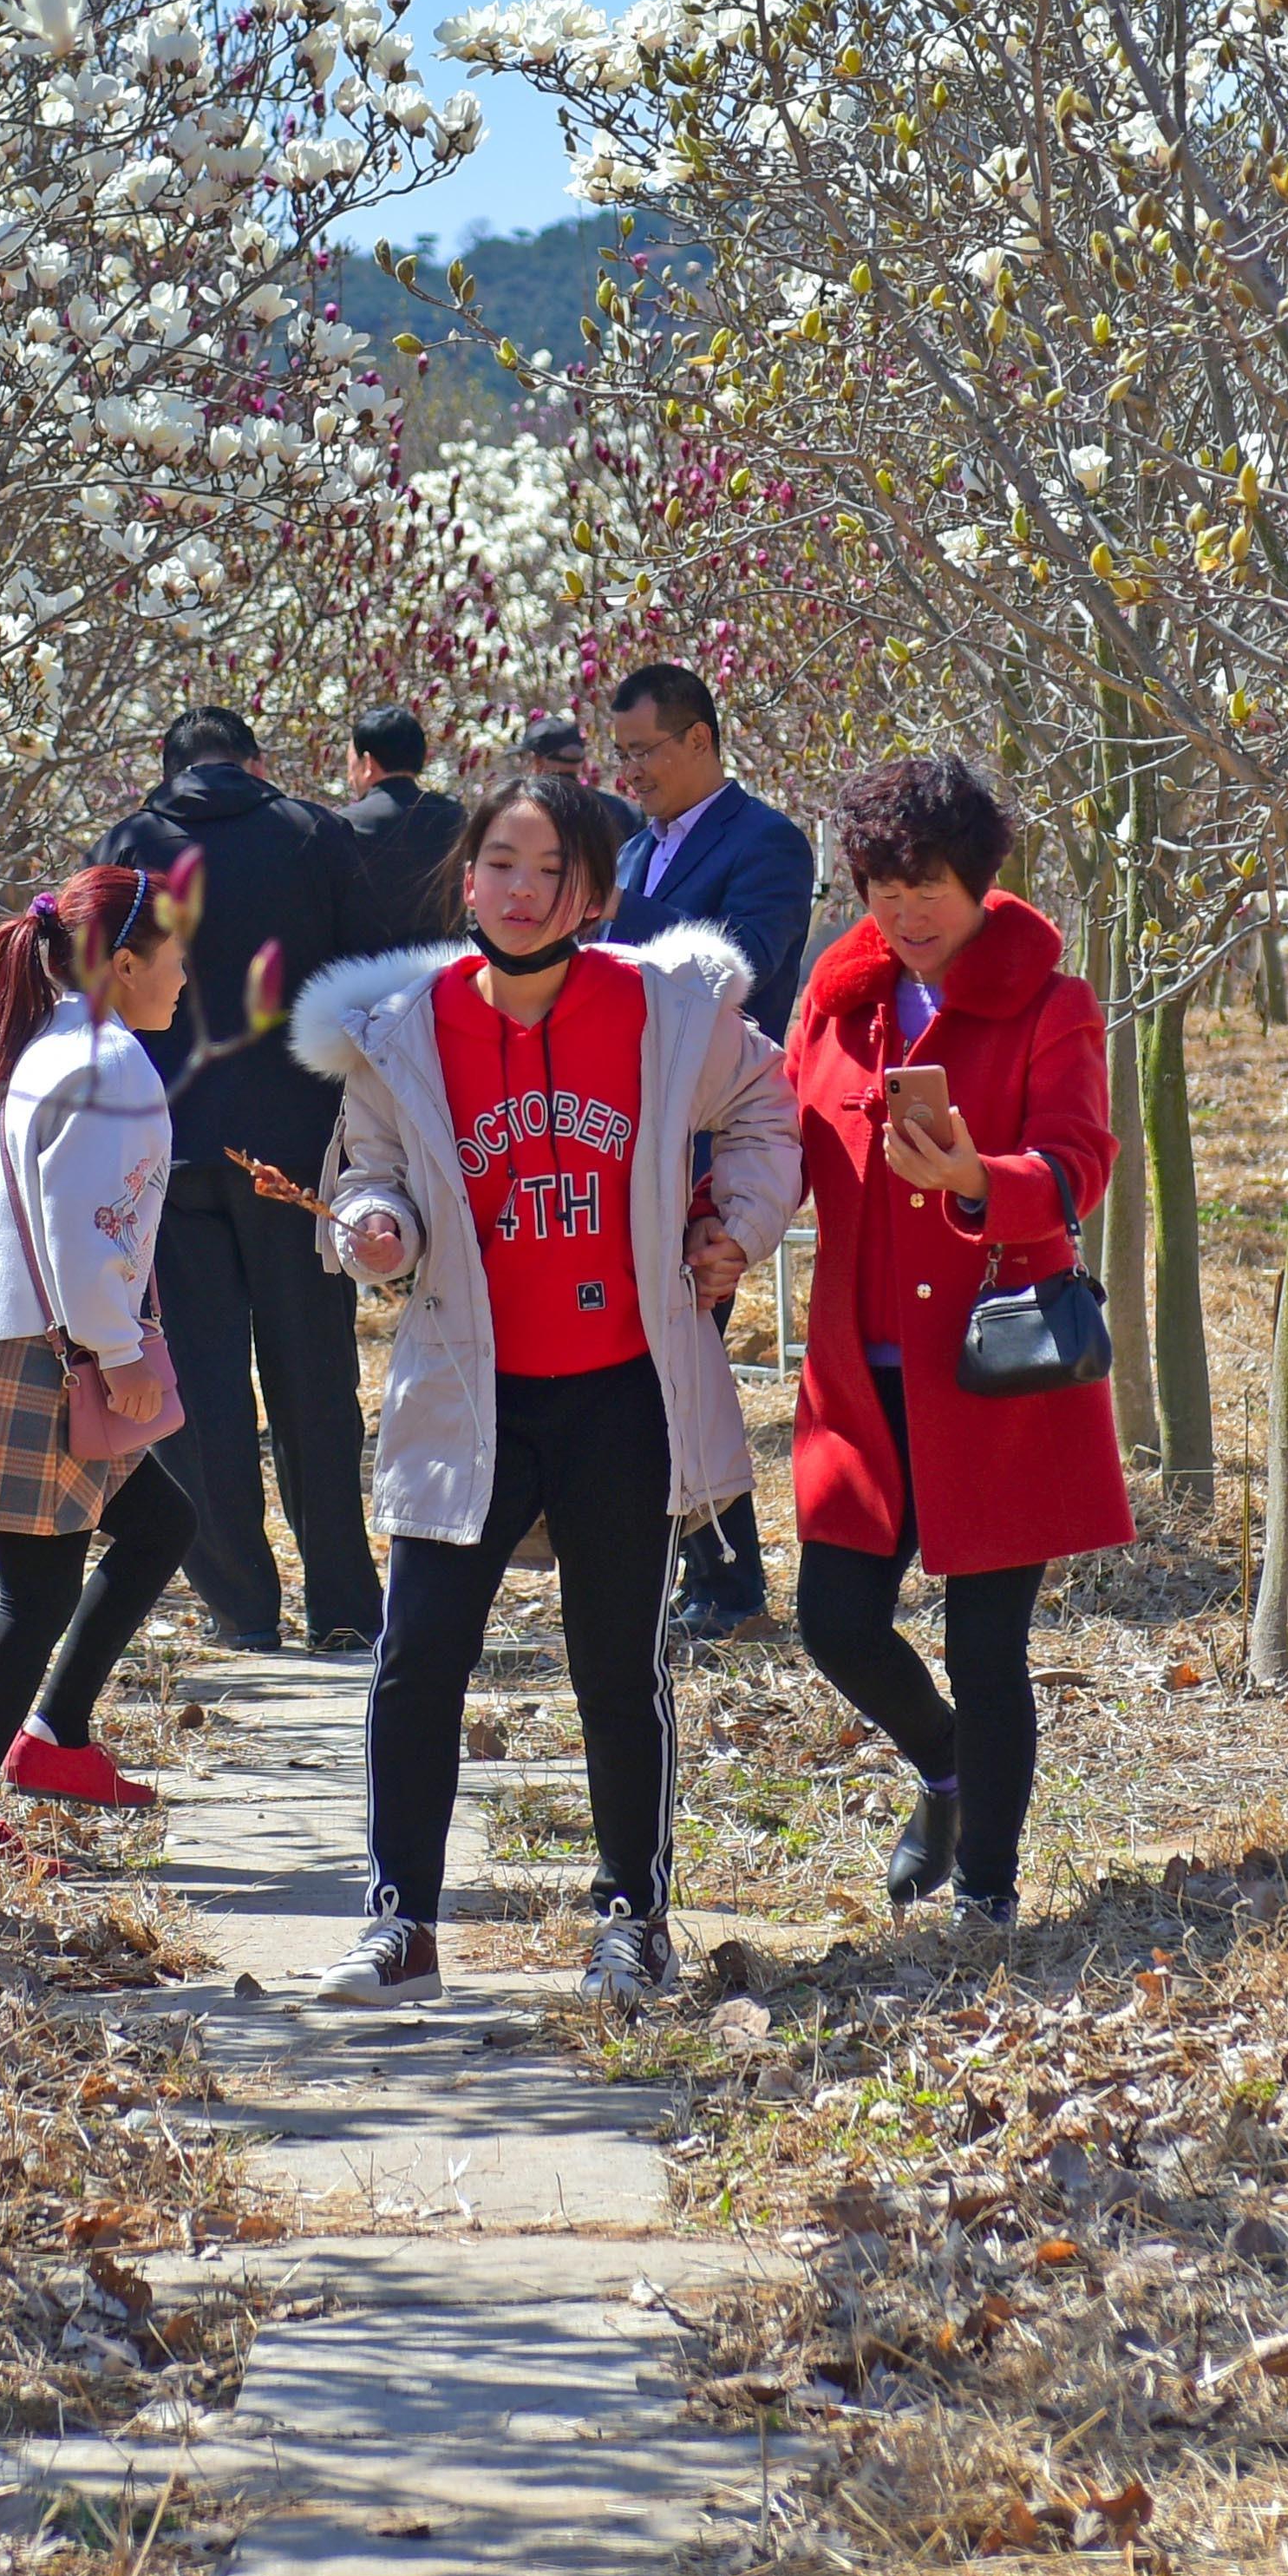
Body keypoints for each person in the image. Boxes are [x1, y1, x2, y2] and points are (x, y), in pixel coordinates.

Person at [293, 769, 802, 2008]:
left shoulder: (664, 1012)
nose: (525, 893)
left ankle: (632, 1920)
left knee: (614, 1665)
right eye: (503, 866)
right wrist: (373, 1227)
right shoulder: (406, 1025)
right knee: (417, 1657)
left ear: (595, 896)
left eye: (555, 873)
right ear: (465, 878)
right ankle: (400, 1923)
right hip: (472, 1386)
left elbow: (767, 1111)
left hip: (620, 1387)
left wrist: (734, 1226)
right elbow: (368, 1174)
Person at [783, 751, 1129, 1926]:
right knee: (833, 1618)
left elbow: (1081, 1157)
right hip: (858, 1378)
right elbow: (780, 1151)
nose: (904, 912)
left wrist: (985, 1179)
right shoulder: (834, 1010)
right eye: (882, 889)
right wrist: (716, 1227)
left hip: (991, 1373)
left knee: (989, 1648)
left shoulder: (1050, 1004)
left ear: (979, 880)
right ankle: (942, 1770)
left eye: (926, 886)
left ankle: (987, 1886)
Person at [101, 707, 405, 1659]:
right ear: (255, 762)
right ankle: (345, 1601)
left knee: (202, 1386)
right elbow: (370, 983)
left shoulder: (130, 846)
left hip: (168, 1145)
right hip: (296, 1151)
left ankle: (240, 1602)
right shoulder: (312, 833)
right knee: (314, 1380)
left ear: (169, 767)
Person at [0, 866, 199, 1826]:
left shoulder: (33, 1045)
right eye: (174, 954)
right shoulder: (107, 1060)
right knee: (31, 1597)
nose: (185, 975)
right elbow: (88, 1226)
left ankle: (55, 1736)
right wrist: (114, 1349)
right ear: (123, 960)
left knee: (160, 1525)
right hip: (48, 1351)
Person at [606, 660, 817, 1645]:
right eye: (622, 756)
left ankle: (729, 1583)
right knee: (644, 1366)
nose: (632, 774)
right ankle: (684, 1575)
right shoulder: (627, 851)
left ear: (701, 741)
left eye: (645, 752)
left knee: (681, 1359)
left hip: (713, 1138)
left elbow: (749, 961)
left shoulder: (768, 841)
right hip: (626, 1132)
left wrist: (610, 922)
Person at [324, 705, 465, 954]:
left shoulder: (345, 824)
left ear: (367, 763)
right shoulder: (454, 816)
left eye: (350, 762)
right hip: (444, 969)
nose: (349, 777)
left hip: (369, 975)